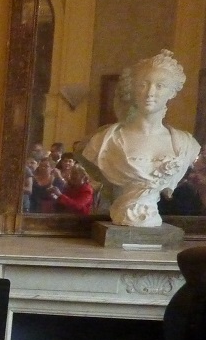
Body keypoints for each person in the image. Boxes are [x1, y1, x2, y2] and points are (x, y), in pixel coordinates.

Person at [82, 49, 201, 228]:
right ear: (133, 88)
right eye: (143, 85)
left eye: (160, 86)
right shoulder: (104, 142)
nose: (150, 92)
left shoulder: (185, 145)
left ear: (172, 92)